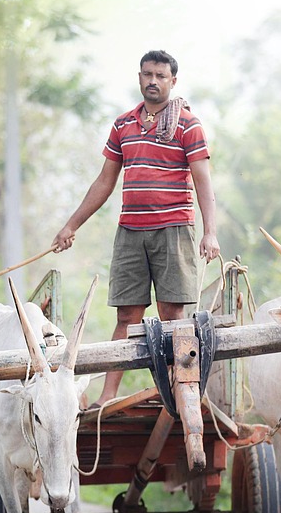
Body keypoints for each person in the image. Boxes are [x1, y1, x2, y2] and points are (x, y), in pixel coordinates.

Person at [51, 49, 219, 407]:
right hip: (130, 231)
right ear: (139, 77)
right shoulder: (124, 124)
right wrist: (71, 225)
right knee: (127, 316)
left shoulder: (188, 125)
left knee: (173, 316)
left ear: (173, 81)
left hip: (174, 230)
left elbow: (203, 182)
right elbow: (104, 182)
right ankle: (107, 395)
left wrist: (210, 232)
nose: (152, 81)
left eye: (160, 76)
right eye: (147, 75)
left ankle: (176, 393)